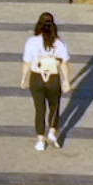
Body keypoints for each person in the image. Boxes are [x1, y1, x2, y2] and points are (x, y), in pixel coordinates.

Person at [23, 11, 72, 150]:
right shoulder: (59, 43)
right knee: (54, 107)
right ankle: (52, 131)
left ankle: (40, 140)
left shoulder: (31, 42)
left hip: (37, 77)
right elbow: (64, 63)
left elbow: (27, 62)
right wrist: (66, 80)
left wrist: (24, 78)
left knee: (39, 109)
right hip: (53, 78)